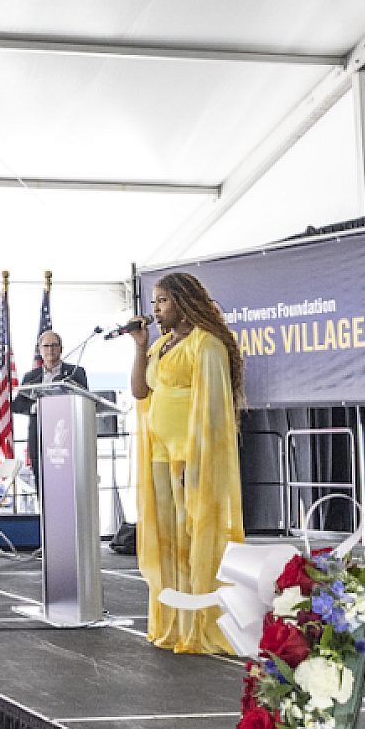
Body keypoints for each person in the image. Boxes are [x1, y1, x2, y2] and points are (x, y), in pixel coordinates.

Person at [128, 272, 245, 655]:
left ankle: (202, 623)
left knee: (195, 537)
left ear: (183, 301)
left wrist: (197, 455)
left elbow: (213, 409)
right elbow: (140, 390)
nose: (156, 309)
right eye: (154, 302)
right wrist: (139, 346)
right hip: (160, 453)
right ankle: (175, 621)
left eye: (162, 301)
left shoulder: (206, 345)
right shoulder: (160, 344)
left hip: (191, 455)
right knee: (167, 540)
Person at [11, 329, 89, 490]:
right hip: (39, 436)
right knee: (43, 484)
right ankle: (45, 514)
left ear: (61, 348)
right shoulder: (31, 377)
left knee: (68, 483)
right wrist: (35, 406)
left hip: (67, 437)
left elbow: (85, 399)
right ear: (40, 350)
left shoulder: (76, 373)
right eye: (46, 346)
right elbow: (18, 405)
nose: (50, 350)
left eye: (54, 345)